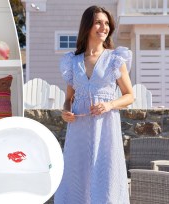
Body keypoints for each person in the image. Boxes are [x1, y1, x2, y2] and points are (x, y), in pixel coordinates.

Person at [54, 5, 134, 204]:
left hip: (106, 128)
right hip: (79, 130)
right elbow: (68, 98)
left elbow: (129, 96)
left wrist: (109, 105)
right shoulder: (73, 61)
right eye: (98, 22)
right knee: (77, 176)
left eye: (106, 23)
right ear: (87, 26)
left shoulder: (115, 59)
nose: (104, 27)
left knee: (105, 177)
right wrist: (66, 111)